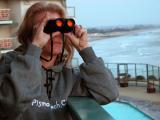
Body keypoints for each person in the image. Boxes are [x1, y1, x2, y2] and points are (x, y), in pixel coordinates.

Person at [0, 2, 119, 120]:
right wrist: (35, 47)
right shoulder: (8, 64)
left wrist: (85, 50)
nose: (56, 34)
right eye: (47, 27)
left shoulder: (69, 75)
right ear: (30, 35)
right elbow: (8, 105)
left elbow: (109, 93)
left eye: (61, 28)